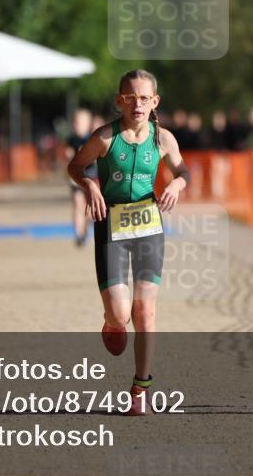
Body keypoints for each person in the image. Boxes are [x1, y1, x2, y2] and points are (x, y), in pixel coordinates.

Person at [68, 69, 190, 415]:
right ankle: (112, 322)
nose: (138, 104)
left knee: (145, 311)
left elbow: (184, 172)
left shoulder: (163, 138)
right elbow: (75, 166)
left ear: (155, 102)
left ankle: (141, 388)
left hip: (149, 227)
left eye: (144, 98)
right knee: (122, 315)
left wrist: (177, 184)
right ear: (120, 101)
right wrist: (90, 185)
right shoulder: (105, 137)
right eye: (131, 97)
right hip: (112, 227)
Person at [64, 108, 96, 247]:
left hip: (91, 176)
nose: (77, 125)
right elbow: (68, 153)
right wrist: (70, 155)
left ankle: (86, 229)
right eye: (75, 122)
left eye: (80, 123)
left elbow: (96, 157)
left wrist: (87, 156)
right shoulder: (71, 139)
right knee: (77, 203)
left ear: (88, 124)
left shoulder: (93, 138)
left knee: (89, 209)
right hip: (76, 176)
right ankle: (79, 234)